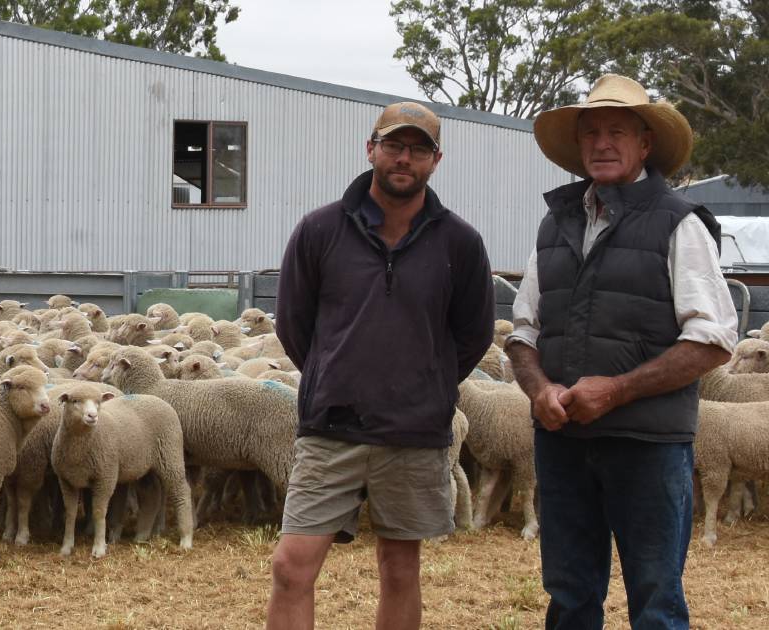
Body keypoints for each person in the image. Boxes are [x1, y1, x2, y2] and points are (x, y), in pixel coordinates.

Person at [505, 74, 738, 629]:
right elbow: (523, 332)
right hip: (563, 444)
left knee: (656, 600)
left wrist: (618, 390)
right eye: (591, 133)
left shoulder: (678, 224)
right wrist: (540, 390)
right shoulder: (555, 224)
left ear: (645, 144)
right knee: (568, 596)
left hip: (648, 446)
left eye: (617, 131)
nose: (601, 144)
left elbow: (714, 339)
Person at [266, 101, 495, 630]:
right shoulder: (320, 230)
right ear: (371, 148)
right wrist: (335, 374)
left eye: (418, 150)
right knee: (291, 565)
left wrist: (426, 385)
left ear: (436, 160)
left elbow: (473, 334)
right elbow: (294, 325)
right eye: (394, 145)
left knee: (399, 569)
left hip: (413, 431)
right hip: (332, 426)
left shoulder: (460, 242)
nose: (403, 159)